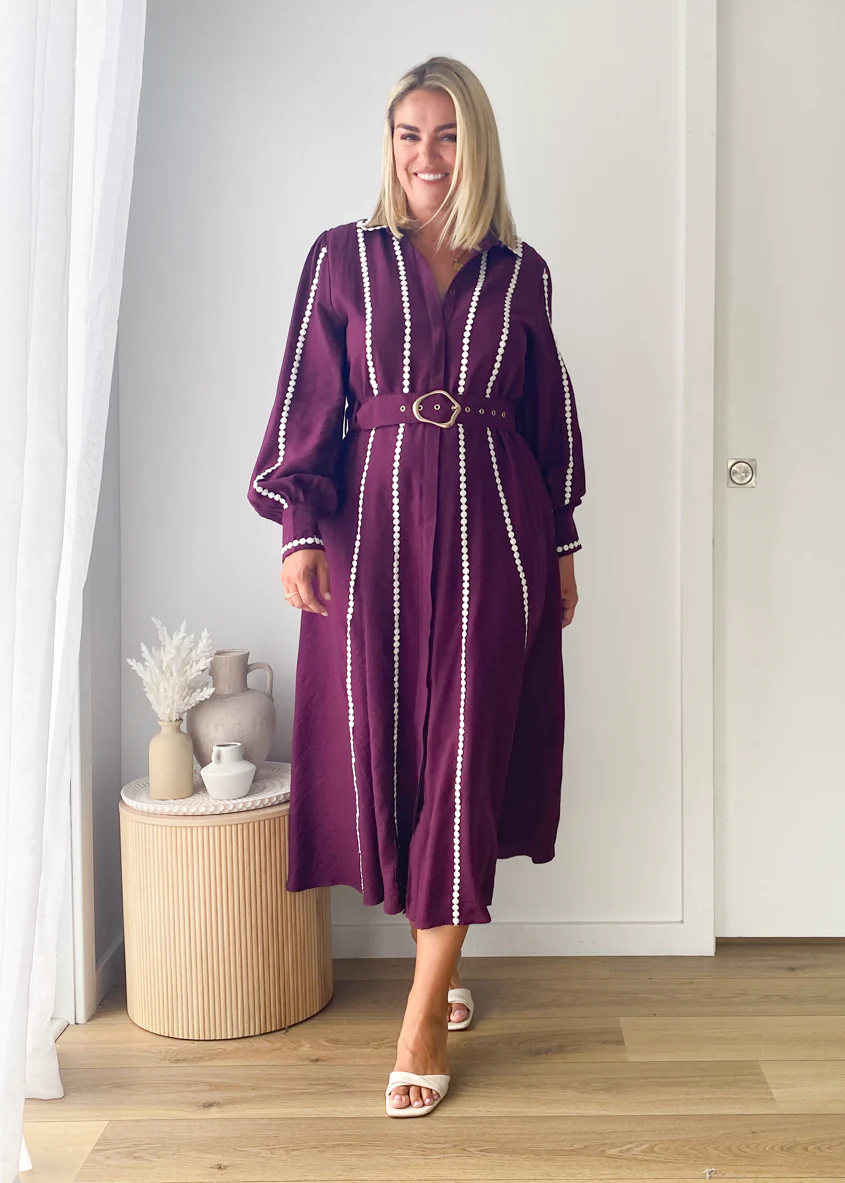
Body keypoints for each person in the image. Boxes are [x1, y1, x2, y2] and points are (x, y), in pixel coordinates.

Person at [247, 55, 586, 1117]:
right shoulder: (342, 257)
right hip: (372, 538)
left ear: (474, 145)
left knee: (466, 751)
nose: (426, 156)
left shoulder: (518, 272)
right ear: (388, 144)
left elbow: (546, 418)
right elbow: (308, 396)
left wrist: (561, 546)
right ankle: (441, 972)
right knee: (390, 750)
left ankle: (420, 1013)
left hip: (497, 534)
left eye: (446, 135)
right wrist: (299, 528)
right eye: (408, 134)